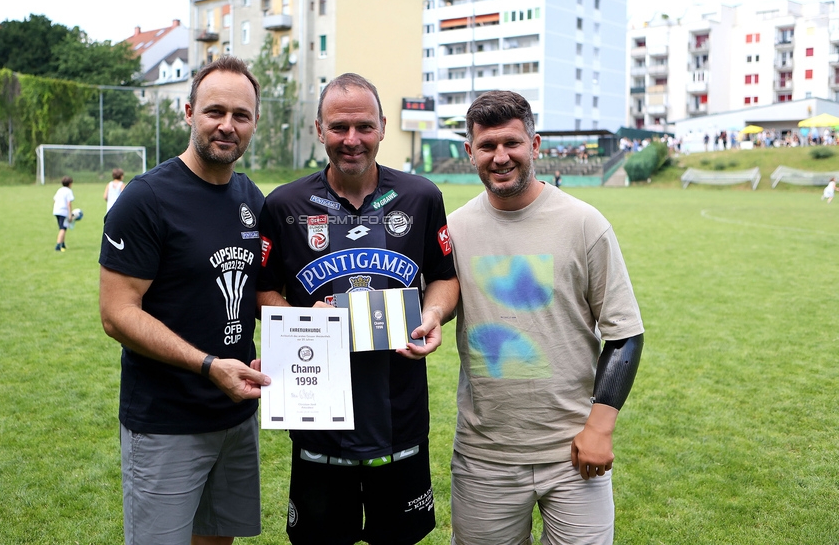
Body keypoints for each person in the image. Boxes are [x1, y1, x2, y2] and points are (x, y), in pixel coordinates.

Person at [257, 73, 459, 545]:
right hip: (318, 420)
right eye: (339, 127)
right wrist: (304, 321)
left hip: (400, 414)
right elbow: (262, 292)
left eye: (364, 127)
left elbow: (445, 277)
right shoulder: (284, 205)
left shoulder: (421, 196)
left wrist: (433, 316)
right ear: (319, 129)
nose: (352, 140)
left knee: (398, 538)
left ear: (384, 127)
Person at [447, 90, 645, 545]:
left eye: (512, 143)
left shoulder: (584, 223)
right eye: (487, 146)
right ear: (469, 152)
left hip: (575, 454)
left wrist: (600, 426)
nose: (500, 157)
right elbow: (423, 304)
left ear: (535, 145)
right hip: (485, 457)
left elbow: (625, 334)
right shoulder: (453, 230)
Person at [98, 55, 270, 545]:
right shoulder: (146, 199)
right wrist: (209, 365)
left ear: (254, 122)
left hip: (236, 417)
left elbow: (259, 292)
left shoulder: (250, 198)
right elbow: (117, 314)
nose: (227, 125)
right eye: (215, 111)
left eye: (241, 115)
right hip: (167, 423)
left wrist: (302, 326)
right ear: (189, 112)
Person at [52, 176, 74, 252]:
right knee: (63, 228)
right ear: (70, 184)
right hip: (63, 212)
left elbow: (54, 200)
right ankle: (58, 246)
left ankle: (63, 244)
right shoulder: (68, 191)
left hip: (56, 211)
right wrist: (70, 214)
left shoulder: (59, 190)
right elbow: (69, 203)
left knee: (62, 227)